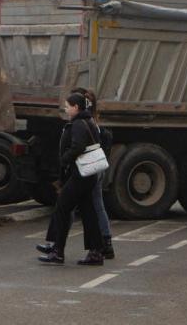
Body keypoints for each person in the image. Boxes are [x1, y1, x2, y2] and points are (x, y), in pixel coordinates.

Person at [36, 92, 105, 266]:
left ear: (75, 107)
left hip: (80, 174)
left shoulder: (78, 124)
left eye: (67, 106)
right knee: (88, 212)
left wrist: (64, 159)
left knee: (62, 207)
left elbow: (78, 147)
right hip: (88, 174)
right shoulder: (89, 121)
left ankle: (58, 251)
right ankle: (96, 252)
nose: (66, 110)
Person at [72, 88, 115, 260]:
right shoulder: (94, 121)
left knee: (72, 206)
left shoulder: (84, 123)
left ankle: (56, 245)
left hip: (86, 169)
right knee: (97, 204)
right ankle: (106, 243)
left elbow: (78, 147)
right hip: (97, 168)